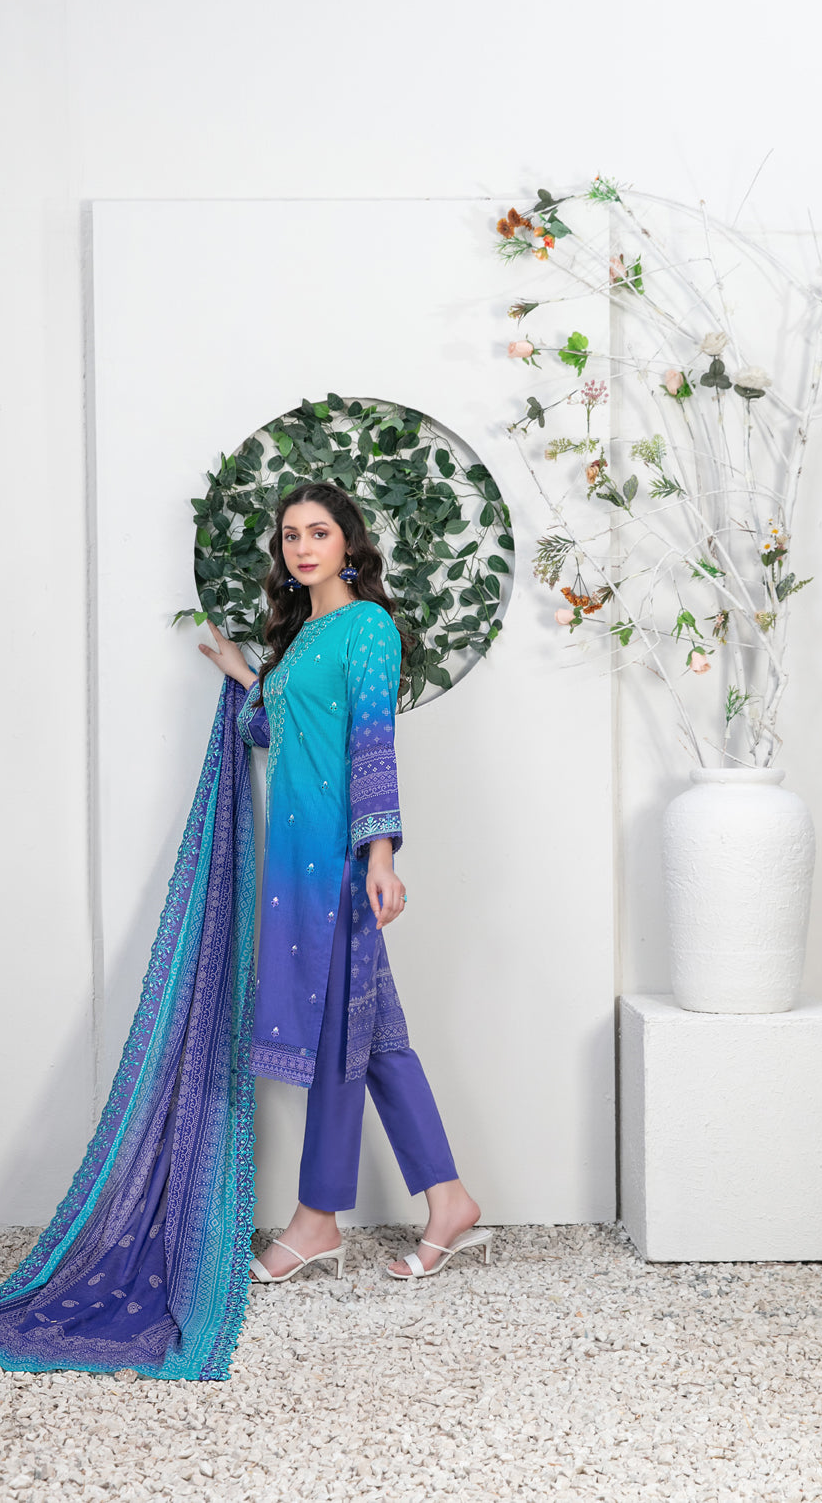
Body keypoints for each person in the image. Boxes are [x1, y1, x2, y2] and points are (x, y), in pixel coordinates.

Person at [198, 481, 490, 1282]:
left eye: (318, 531)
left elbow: (370, 743)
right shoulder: (302, 638)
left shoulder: (368, 627)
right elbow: (275, 731)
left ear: (349, 543)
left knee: (336, 1034)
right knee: (376, 1037)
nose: (301, 546)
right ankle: (450, 1200)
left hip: (338, 860)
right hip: (296, 863)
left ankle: (315, 1220)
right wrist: (243, 674)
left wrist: (381, 855)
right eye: (290, 534)